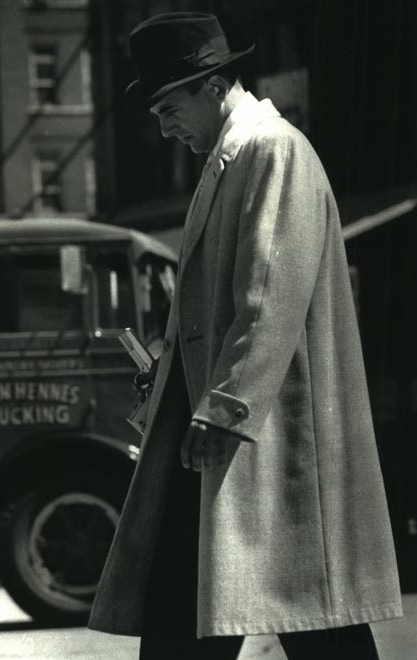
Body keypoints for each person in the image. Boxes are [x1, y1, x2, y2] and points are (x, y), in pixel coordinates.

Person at [88, 12, 403, 659]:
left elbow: (267, 293)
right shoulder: (235, 156)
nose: (163, 126)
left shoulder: (270, 150)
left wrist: (226, 406)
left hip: (257, 432)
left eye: (168, 106)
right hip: (231, 433)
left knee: (303, 610)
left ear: (212, 87)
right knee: (248, 606)